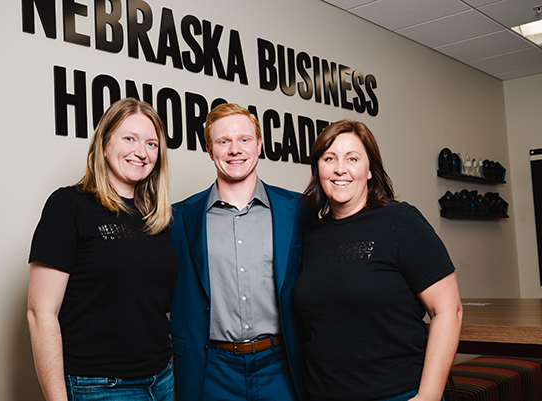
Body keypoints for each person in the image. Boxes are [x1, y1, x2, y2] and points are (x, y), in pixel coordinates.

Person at [293, 120, 463, 401]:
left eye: (352, 159)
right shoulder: (309, 234)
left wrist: (429, 396)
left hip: (398, 393)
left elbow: (448, 311)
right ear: (318, 169)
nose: (340, 169)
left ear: (370, 169)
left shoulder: (400, 221)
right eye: (329, 158)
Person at [27, 98, 179, 401]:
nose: (141, 152)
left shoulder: (158, 218)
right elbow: (40, 313)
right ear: (104, 144)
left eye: (152, 143)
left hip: (161, 380)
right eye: (129, 138)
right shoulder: (68, 205)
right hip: (98, 386)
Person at [169, 103, 307, 401]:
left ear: (259, 145)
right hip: (212, 370)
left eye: (244, 140)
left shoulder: (296, 209)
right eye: (223, 142)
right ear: (209, 150)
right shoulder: (180, 218)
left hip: (281, 365)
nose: (235, 149)